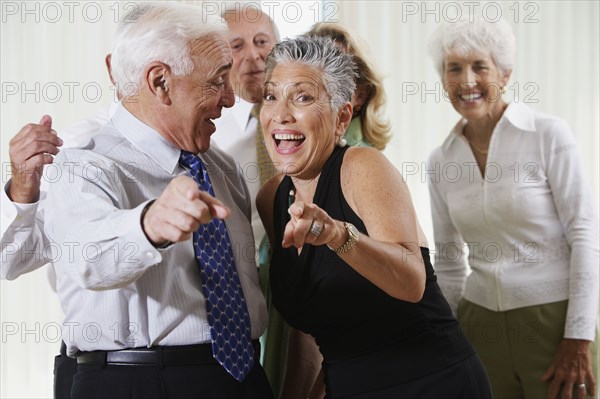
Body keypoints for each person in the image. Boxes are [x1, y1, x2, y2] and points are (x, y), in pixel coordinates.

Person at [43, 3, 272, 398]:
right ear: (160, 81)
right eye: (217, 80)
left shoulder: (222, 166)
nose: (231, 99)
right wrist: (149, 226)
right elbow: (85, 257)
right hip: (139, 382)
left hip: (243, 376)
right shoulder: (83, 163)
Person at [256, 35, 492, 398]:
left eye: (302, 97)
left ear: (341, 117)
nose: (280, 113)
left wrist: (337, 235)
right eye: (271, 96)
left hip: (431, 382)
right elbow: (310, 331)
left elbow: (411, 281)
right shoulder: (271, 198)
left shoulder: (363, 167)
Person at [427, 17, 598, 399]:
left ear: (504, 74)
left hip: (553, 322)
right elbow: (450, 262)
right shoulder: (440, 159)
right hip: (478, 322)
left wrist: (579, 335)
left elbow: (586, 233)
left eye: (479, 66)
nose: (467, 80)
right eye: (454, 68)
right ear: (443, 80)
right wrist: (447, 341)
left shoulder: (548, 135)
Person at [280, 22, 394, 398]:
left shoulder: (361, 167)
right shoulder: (290, 154)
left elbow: (379, 289)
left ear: (358, 95)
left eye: (336, 71)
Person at [1, 54, 119, 399]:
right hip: (99, 369)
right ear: (114, 67)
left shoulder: (211, 148)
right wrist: (24, 185)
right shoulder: (73, 148)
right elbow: (9, 259)